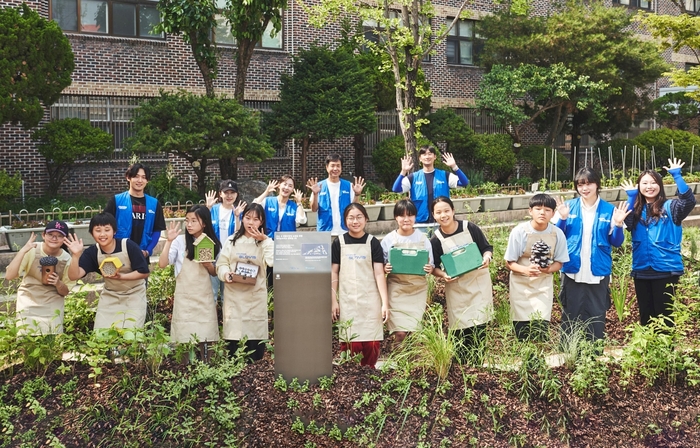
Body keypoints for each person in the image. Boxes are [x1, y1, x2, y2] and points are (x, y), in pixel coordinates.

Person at [554, 168, 630, 343]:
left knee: (596, 312)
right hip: (573, 268)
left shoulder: (608, 210)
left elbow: (616, 242)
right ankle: (568, 351)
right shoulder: (568, 207)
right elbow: (557, 236)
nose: (584, 188)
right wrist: (563, 218)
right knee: (570, 312)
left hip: (597, 269)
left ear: (597, 185)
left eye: (589, 183)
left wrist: (618, 224)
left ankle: (593, 352)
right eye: (580, 184)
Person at [621, 158, 696, 327]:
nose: (649, 186)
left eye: (653, 182)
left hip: (666, 269)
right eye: (645, 183)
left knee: (665, 317)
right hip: (641, 270)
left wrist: (677, 176)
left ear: (660, 186)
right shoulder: (636, 209)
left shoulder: (671, 207)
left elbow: (689, 201)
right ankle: (649, 353)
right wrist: (631, 197)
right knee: (646, 318)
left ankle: (665, 352)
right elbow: (627, 222)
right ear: (639, 186)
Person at [429, 197, 493, 363]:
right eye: (439, 212)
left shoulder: (469, 228)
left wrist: (487, 258)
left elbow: (486, 248)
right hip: (457, 288)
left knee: (479, 326)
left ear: (453, 211)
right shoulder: (435, 239)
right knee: (460, 330)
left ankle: (478, 366)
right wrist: (443, 275)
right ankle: (462, 368)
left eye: (446, 211)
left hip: (478, 284)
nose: (443, 215)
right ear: (433, 216)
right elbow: (434, 266)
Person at [66, 213, 150, 330]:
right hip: (110, 295)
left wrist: (121, 276)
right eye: (98, 230)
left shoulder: (128, 245)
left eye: (107, 230)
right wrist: (75, 256)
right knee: (102, 334)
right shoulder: (92, 252)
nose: (102, 234)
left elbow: (144, 272)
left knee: (130, 334)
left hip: (134, 294)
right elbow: (73, 276)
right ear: (91, 233)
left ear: (114, 231)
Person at [505, 194, 569, 342]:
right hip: (521, 286)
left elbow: (560, 262)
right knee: (522, 329)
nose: (542, 213)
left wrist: (548, 269)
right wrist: (525, 270)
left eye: (547, 210)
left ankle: (538, 362)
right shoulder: (519, 231)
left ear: (553, 213)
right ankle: (525, 361)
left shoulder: (557, 233)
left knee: (540, 328)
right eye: (538, 209)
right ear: (530, 211)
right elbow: (509, 262)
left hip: (543, 286)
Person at [158, 205, 221, 357]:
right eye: (187, 220)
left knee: (206, 332)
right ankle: (186, 368)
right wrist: (168, 241)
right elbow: (162, 264)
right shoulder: (179, 241)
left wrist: (208, 265)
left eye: (194, 220)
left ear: (204, 223)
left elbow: (215, 272)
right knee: (184, 334)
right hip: (184, 295)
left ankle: (207, 365)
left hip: (204, 295)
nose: (189, 224)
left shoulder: (212, 243)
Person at [331, 203, 389, 368]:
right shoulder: (338, 243)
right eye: (351, 218)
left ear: (366, 219)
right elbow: (334, 272)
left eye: (359, 217)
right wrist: (333, 300)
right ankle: (351, 378)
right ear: (345, 220)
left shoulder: (373, 243)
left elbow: (379, 273)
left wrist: (385, 303)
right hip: (347, 299)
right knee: (351, 343)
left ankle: (370, 373)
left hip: (370, 298)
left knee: (371, 342)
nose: (355, 221)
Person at [217, 203, 273, 362]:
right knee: (234, 337)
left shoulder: (265, 242)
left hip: (255, 297)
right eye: (248, 218)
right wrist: (226, 274)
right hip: (234, 296)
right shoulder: (231, 240)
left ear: (261, 222)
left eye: (256, 219)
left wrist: (265, 241)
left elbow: (272, 261)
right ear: (242, 218)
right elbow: (221, 264)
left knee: (255, 337)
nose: (251, 223)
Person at [381, 199, 434, 346]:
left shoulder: (423, 239)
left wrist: (429, 268)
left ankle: (413, 364)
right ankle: (399, 364)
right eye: (402, 215)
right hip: (396, 288)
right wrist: (385, 268)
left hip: (417, 289)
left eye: (410, 215)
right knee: (399, 332)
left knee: (414, 330)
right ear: (396, 217)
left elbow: (431, 264)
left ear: (415, 217)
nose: (406, 219)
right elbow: (380, 265)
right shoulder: (389, 239)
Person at [6, 221, 73, 335]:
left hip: (53, 303)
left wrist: (58, 283)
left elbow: (66, 291)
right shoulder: (32, 249)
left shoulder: (67, 259)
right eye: (51, 234)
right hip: (28, 300)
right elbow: (9, 276)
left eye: (59, 236)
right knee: (26, 343)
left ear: (64, 239)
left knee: (52, 344)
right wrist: (23, 251)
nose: (54, 238)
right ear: (43, 235)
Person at [392, 146, 470, 224]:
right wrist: (403, 171)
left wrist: (454, 166)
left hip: (442, 221)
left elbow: (464, 182)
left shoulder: (444, 175)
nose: (427, 157)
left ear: (434, 157)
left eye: (430, 154)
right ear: (420, 158)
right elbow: (396, 189)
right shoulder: (413, 177)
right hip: (420, 221)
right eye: (424, 154)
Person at [105, 163, 166, 259]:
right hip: (118, 254)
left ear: (147, 180)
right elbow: (105, 227)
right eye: (136, 176)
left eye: (144, 177)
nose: (140, 180)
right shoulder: (116, 200)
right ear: (128, 177)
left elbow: (157, 230)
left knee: (141, 274)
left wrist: (147, 251)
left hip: (142, 255)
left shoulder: (154, 204)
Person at [206, 179, 247, 302]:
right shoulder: (213, 209)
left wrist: (237, 216)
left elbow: (239, 235)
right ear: (220, 194)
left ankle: (227, 320)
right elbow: (203, 227)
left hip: (230, 257)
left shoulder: (239, 211)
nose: (229, 196)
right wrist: (207, 208)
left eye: (232, 193)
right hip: (213, 255)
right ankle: (211, 320)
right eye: (226, 192)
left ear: (237, 194)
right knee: (211, 293)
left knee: (228, 294)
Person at [307, 153, 365, 234]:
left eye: (338, 166)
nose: (335, 168)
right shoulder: (318, 186)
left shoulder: (349, 185)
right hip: (325, 230)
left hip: (345, 230)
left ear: (341, 168)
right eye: (332, 165)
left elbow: (354, 208)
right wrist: (315, 194)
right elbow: (314, 209)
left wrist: (357, 194)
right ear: (327, 167)